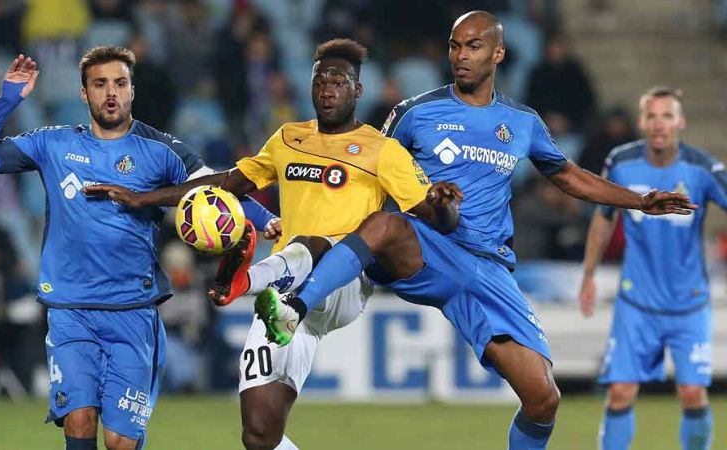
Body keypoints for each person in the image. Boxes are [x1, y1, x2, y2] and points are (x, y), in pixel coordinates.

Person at [253, 12, 696, 450]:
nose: (460, 55)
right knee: (386, 224)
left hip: (487, 268)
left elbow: (567, 175)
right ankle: (295, 307)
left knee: (543, 398)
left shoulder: (521, 122)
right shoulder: (414, 112)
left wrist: (639, 200)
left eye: (473, 46)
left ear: (498, 54)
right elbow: (367, 171)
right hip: (427, 246)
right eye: (454, 46)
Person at [84, 38, 460, 450]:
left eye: (338, 82)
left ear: (357, 90)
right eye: (320, 81)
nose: (327, 90)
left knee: (312, 244)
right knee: (260, 435)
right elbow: (228, 183)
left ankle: (242, 283)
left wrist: (444, 206)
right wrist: (146, 198)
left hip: (342, 285)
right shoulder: (288, 138)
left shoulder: (382, 150)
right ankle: (257, 288)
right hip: (284, 295)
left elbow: (435, 217)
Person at [0, 46, 273, 450]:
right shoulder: (53, 143)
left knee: (120, 440)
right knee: (79, 419)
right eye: (100, 84)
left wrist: (267, 220)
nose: (111, 93)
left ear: (132, 90)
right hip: (70, 309)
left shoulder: (160, 149)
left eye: (120, 83)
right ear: (84, 93)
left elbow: (223, 186)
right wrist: (7, 101)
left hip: (132, 312)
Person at [579, 86, 720, 450]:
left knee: (692, 394)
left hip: (689, 303)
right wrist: (589, 275)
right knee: (620, 392)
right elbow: (603, 216)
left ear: (680, 122)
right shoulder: (621, 162)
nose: (659, 124)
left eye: (667, 116)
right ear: (641, 122)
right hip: (636, 302)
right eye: (652, 116)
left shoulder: (702, 168)